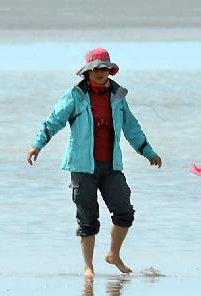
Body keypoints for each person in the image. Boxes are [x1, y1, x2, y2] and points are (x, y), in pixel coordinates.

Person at [27, 48, 162, 277]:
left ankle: (113, 254)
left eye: (104, 69)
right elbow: (54, 121)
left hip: (111, 166)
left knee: (124, 211)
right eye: (96, 69)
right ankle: (88, 266)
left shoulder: (118, 97)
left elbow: (132, 127)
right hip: (82, 167)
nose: (100, 73)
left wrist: (148, 152)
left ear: (110, 70)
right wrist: (37, 145)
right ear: (87, 72)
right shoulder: (75, 96)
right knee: (87, 218)